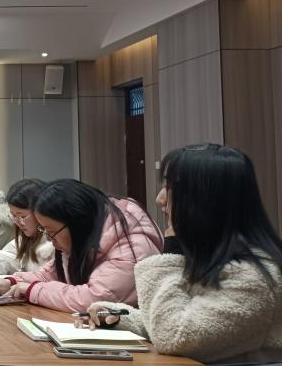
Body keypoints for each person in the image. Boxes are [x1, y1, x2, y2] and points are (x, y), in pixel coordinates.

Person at [81, 144, 282, 363]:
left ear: (206, 200)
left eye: (170, 188)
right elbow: (184, 319)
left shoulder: (254, 277)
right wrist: (119, 317)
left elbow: (174, 336)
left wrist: (171, 249)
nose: (160, 199)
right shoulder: (214, 257)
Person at [0, 179, 163, 313]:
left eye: (51, 231)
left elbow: (93, 298)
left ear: (76, 222)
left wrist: (32, 290)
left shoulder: (131, 246)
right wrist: (12, 282)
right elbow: (52, 273)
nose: (49, 239)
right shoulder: (82, 236)